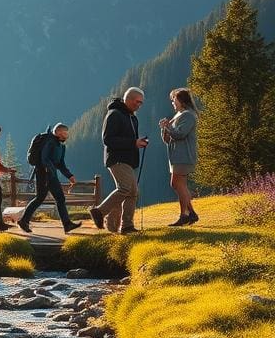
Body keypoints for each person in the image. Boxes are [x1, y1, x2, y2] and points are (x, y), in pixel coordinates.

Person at [89, 87, 149, 234]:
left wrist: (137, 142)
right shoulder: (114, 114)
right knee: (125, 189)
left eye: (141, 103)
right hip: (117, 159)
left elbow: (128, 139)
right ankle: (99, 212)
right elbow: (107, 139)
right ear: (128, 99)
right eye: (137, 102)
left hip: (127, 160)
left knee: (132, 192)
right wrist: (133, 143)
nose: (139, 105)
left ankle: (126, 226)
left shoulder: (131, 117)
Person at [17, 124, 82, 234]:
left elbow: (61, 164)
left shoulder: (61, 146)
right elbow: (44, 158)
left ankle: (24, 221)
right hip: (44, 173)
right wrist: (49, 171)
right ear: (59, 133)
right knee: (54, 198)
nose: (67, 135)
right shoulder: (50, 142)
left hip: (51, 174)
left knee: (43, 198)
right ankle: (67, 224)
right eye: (65, 133)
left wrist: (69, 175)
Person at [159, 88, 199, 226]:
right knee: (176, 184)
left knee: (178, 184)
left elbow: (180, 134)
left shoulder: (188, 115)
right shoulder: (179, 115)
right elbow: (168, 139)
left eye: (174, 100)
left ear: (181, 100)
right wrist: (164, 128)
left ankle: (185, 215)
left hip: (183, 155)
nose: (172, 103)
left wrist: (169, 128)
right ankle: (191, 214)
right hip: (176, 156)